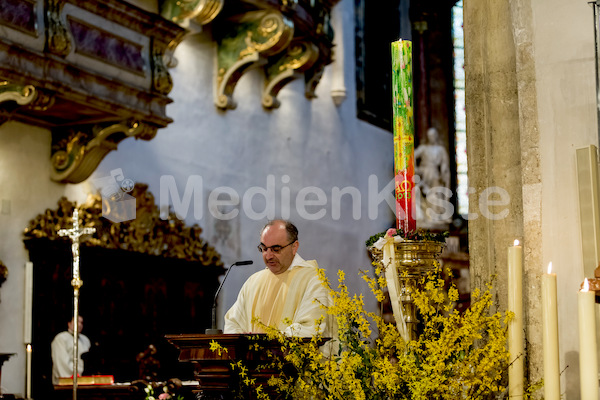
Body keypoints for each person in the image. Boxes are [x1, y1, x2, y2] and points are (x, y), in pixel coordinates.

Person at [224, 220, 335, 343]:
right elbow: (233, 323)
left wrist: (266, 345)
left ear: (294, 247)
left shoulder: (313, 280)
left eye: (276, 249)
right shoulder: (253, 282)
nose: (269, 255)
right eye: (264, 248)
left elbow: (309, 327)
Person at [51, 315, 91, 385]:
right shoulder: (61, 339)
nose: (79, 324)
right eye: (77, 321)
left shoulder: (85, 340)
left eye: (81, 322)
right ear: (69, 323)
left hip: (84, 380)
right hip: (67, 380)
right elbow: (62, 362)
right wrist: (78, 373)